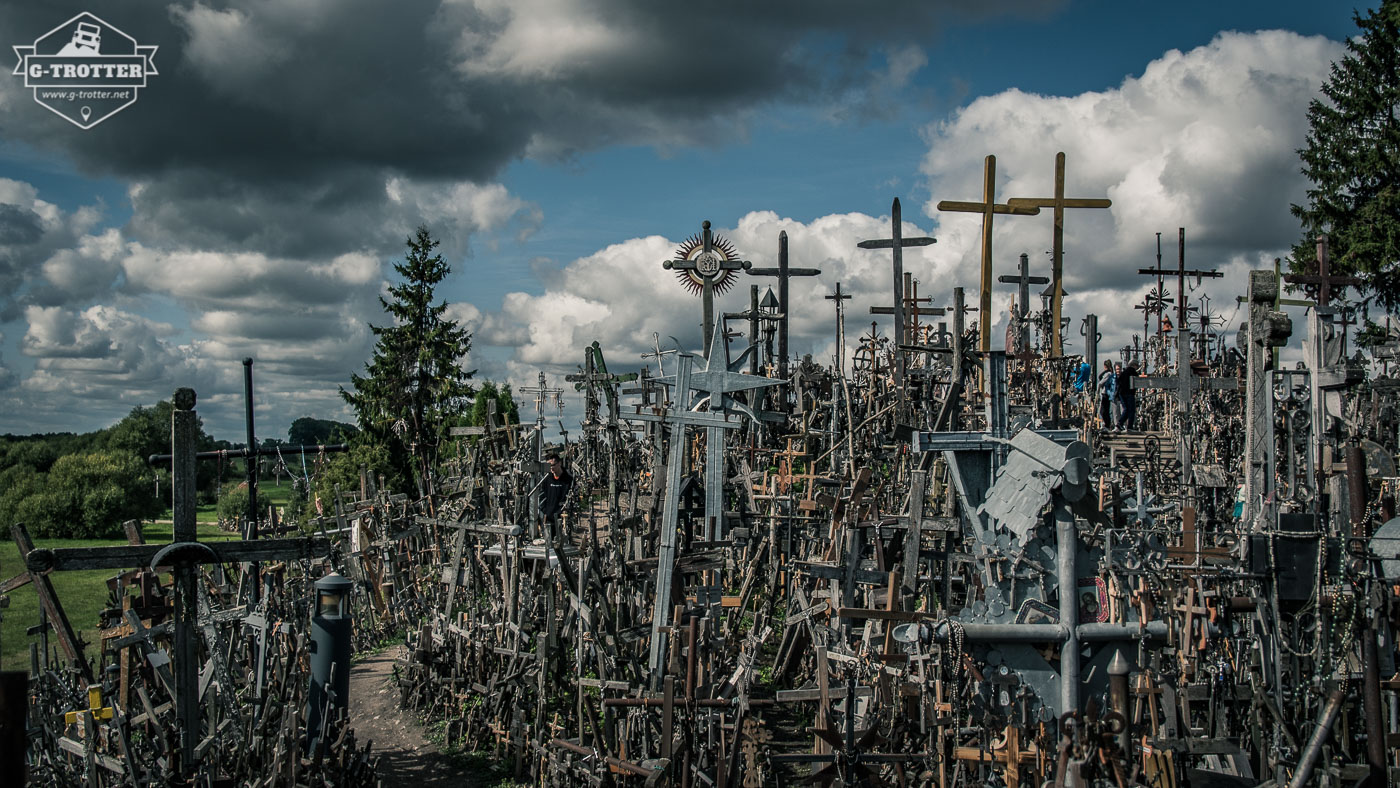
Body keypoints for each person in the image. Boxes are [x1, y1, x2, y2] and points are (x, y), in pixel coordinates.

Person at [537, 452, 573, 544]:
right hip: (549, 516)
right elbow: (541, 496)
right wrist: (545, 510)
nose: (551, 468)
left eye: (553, 465)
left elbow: (572, 496)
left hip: (563, 516)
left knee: (563, 542)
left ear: (559, 463)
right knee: (550, 542)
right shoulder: (546, 479)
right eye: (549, 466)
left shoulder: (568, 480)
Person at [1116, 360, 1139, 431]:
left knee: (1126, 409)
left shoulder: (1124, 372)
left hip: (1122, 393)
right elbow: (1137, 383)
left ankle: (1120, 423)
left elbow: (1118, 381)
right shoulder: (1133, 372)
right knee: (1131, 410)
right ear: (1134, 365)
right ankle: (1130, 426)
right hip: (1129, 393)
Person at [1097, 360, 1117, 430]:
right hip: (1106, 393)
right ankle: (1106, 424)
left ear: (1105, 366)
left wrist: (1098, 390)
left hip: (1105, 393)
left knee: (1103, 410)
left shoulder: (1108, 373)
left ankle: (1107, 425)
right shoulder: (1109, 373)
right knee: (1105, 410)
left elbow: (1101, 382)